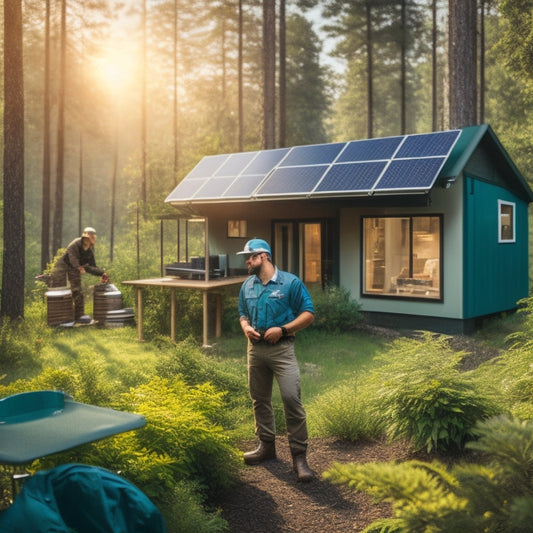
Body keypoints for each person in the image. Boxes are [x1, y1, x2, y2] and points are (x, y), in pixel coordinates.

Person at [237, 238, 315, 482]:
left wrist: (282, 330)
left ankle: (299, 457)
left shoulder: (290, 282)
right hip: (255, 350)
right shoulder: (247, 286)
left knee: (291, 399)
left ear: (264, 257)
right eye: (246, 258)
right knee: (259, 400)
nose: (247, 261)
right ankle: (266, 447)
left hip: (282, 350)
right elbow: (242, 314)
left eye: (250, 257)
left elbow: (308, 313)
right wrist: (246, 327)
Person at [49, 227, 107, 321]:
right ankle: (58, 318)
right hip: (62, 267)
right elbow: (72, 258)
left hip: (75, 269)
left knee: (77, 291)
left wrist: (102, 273)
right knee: (59, 291)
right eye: (89, 236)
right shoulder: (75, 243)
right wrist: (79, 267)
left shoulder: (89, 251)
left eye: (92, 236)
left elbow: (91, 267)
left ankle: (79, 316)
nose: (91, 239)